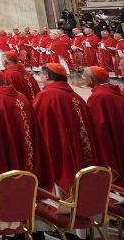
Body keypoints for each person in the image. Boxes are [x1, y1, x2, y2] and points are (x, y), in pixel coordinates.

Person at [31, 63, 99, 193]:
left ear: (46, 76)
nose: (40, 77)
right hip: (74, 145)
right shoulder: (76, 97)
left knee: (59, 175)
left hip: (56, 145)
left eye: (41, 75)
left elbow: (35, 121)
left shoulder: (46, 95)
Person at [81, 66, 124, 189]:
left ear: (91, 80)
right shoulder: (116, 93)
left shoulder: (98, 97)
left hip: (111, 144)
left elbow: (97, 127)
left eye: (84, 76)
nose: (82, 78)